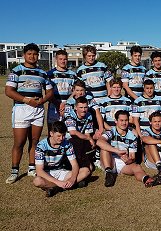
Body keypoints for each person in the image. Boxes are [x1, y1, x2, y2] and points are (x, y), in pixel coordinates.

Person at [5, 43, 54, 184]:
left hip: (37, 110)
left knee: (34, 141)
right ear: (24, 55)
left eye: (35, 54)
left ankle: (32, 168)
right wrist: (26, 100)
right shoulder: (16, 71)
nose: (32, 56)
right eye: (29, 54)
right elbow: (9, 91)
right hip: (22, 109)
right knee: (19, 142)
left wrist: (42, 100)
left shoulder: (42, 73)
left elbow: (49, 91)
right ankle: (15, 171)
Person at [97, 110, 158, 187]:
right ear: (116, 121)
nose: (124, 123)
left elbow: (132, 157)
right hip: (109, 160)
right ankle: (109, 173)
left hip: (122, 161)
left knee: (137, 167)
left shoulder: (132, 135)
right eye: (121, 120)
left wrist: (129, 160)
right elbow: (99, 142)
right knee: (104, 148)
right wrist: (117, 151)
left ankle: (146, 179)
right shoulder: (111, 132)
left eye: (126, 120)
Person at [33, 121, 90, 197]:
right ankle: (65, 185)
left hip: (61, 171)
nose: (61, 138)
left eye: (63, 135)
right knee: (37, 181)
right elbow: (39, 170)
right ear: (51, 133)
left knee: (86, 171)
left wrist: (72, 179)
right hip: (47, 174)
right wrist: (57, 182)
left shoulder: (67, 144)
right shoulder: (41, 146)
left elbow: (74, 164)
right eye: (59, 136)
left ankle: (56, 188)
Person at [64, 97, 96, 173]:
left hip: (81, 139)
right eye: (81, 107)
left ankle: (88, 162)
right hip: (67, 140)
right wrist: (89, 139)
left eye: (85, 107)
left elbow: (87, 133)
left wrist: (89, 139)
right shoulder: (70, 115)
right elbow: (73, 132)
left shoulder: (89, 116)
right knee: (78, 142)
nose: (83, 110)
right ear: (75, 107)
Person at [47, 50, 77, 130]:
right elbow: (48, 92)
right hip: (54, 106)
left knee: (68, 131)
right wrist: (58, 104)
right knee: (53, 131)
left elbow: (75, 90)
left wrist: (66, 103)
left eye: (65, 59)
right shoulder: (50, 74)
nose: (63, 61)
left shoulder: (73, 74)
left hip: (68, 105)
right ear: (56, 59)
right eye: (60, 59)